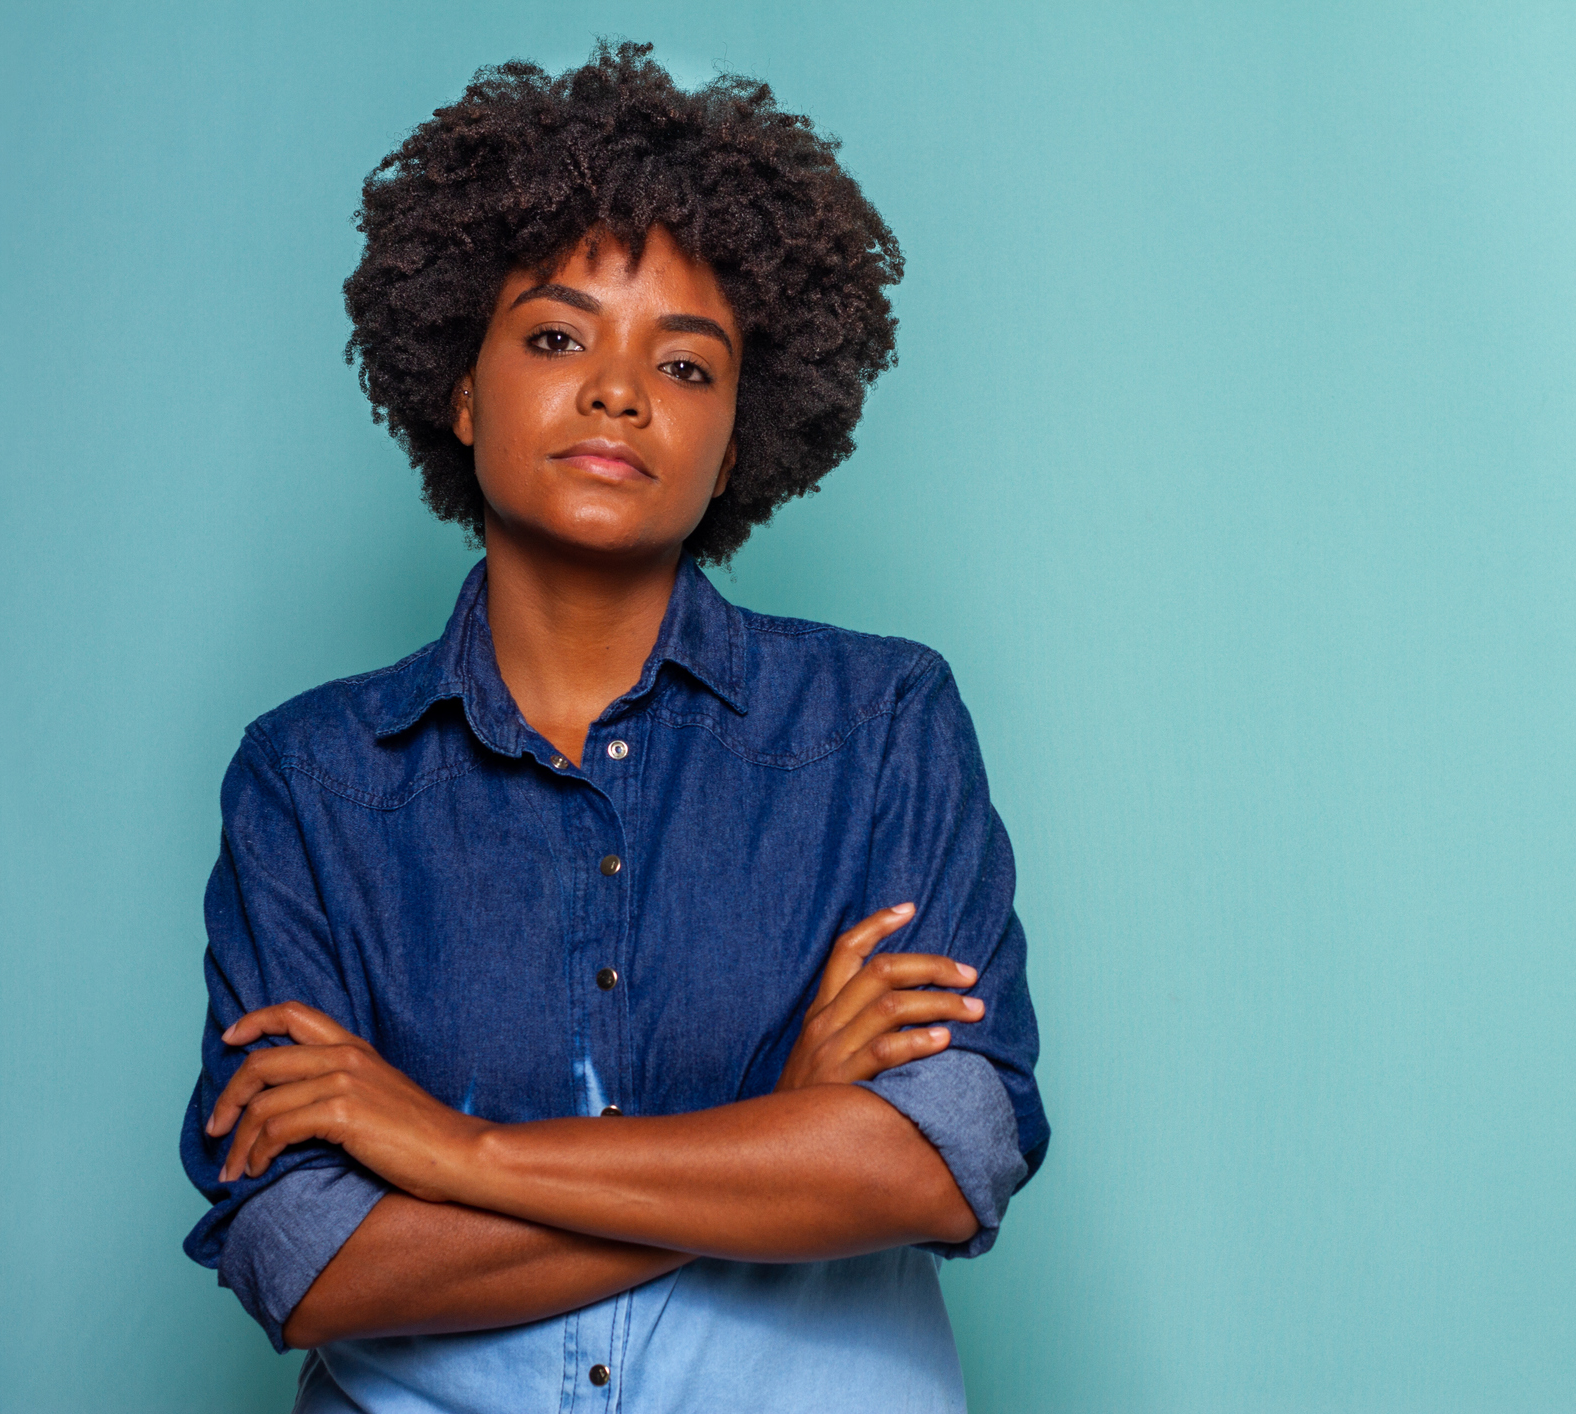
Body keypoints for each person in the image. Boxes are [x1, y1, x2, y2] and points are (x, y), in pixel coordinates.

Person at [178, 42, 1047, 1414]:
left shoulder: (881, 724)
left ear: (736, 435)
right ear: (460, 391)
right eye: (554, 336)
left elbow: (940, 1161)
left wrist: (450, 1149)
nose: (619, 391)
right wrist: (779, 1143)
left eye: (688, 366)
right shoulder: (312, 781)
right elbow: (306, 1265)